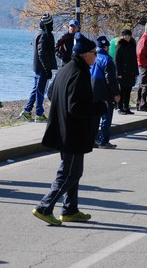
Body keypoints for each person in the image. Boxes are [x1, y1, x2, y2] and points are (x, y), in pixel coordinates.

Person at [32, 33, 108, 226]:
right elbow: (76, 107)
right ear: (84, 54)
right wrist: (100, 107)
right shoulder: (78, 73)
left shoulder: (67, 69)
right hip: (72, 133)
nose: (96, 56)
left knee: (74, 171)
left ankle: (70, 209)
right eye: (93, 52)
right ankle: (44, 206)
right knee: (69, 173)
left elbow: (51, 94)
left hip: (64, 129)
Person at [20, 13, 57, 122]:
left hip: (37, 67)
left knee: (36, 89)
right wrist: (47, 69)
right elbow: (42, 53)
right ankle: (39, 114)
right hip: (42, 69)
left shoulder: (38, 33)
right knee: (41, 91)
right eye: (51, 23)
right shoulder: (45, 35)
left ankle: (27, 111)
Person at [91, 36, 121, 149]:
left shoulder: (92, 58)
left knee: (94, 118)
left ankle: (92, 139)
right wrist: (116, 93)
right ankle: (104, 141)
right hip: (105, 92)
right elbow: (111, 80)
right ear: (106, 47)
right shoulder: (107, 60)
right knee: (106, 118)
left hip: (92, 91)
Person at [115, 29, 138, 115]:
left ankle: (126, 107)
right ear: (123, 36)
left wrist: (136, 73)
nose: (127, 37)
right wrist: (119, 73)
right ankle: (120, 107)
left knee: (128, 90)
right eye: (126, 35)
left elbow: (135, 60)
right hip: (123, 72)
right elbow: (116, 60)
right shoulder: (120, 46)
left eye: (129, 35)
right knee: (122, 90)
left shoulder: (132, 45)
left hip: (131, 72)